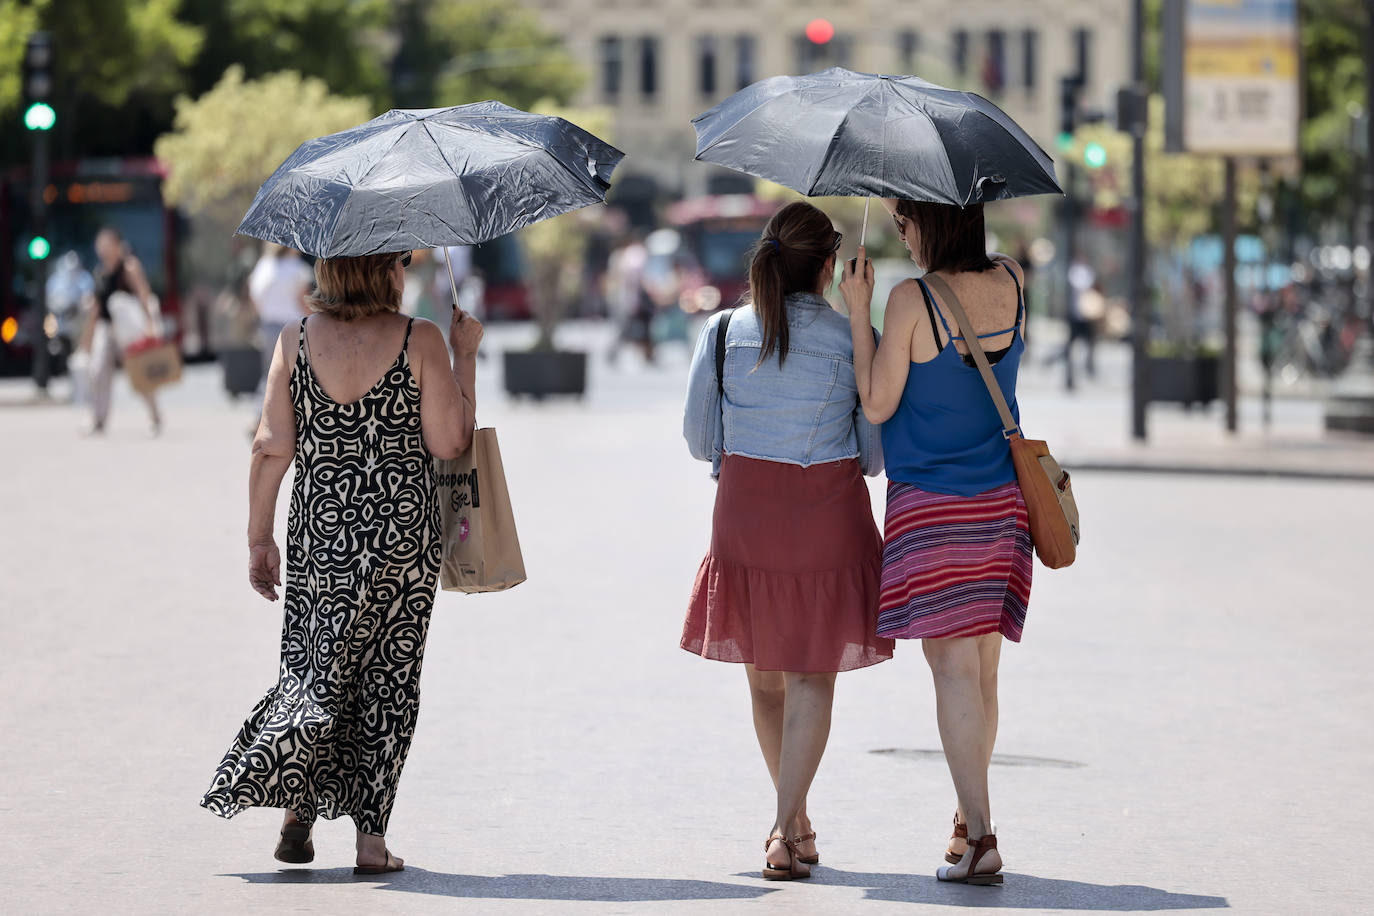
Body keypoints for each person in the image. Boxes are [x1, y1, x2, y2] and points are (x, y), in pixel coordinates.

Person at [200, 250, 484, 874]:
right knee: (387, 683)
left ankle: (296, 811)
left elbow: (271, 445)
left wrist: (258, 537)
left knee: (315, 671)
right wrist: (466, 355)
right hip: (401, 543)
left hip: (321, 540)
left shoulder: (296, 339)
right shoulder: (422, 338)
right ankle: (371, 841)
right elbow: (450, 441)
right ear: (386, 272)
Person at [682, 201, 892, 882]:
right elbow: (871, 455)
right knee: (811, 675)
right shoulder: (850, 337)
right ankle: (785, 821)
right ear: (831, 266)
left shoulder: (721, 333)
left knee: (764, 676)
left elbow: (699, 440)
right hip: (826, 509)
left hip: (746, 511)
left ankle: (792, 819)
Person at [841, 199, 1033, 887]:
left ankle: (981, 836)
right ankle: (966, 815)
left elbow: (876, 401)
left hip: (934, 511)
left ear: (933, 222)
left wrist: (857, 315)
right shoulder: (1012, 279)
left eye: (906, 223)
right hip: (1002, 506)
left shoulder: (909, 301)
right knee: (981, 673)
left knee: (952, 671)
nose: (902, 234)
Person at [77, 226, 162, 434]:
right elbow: (96, 310)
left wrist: (151, 325)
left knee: (139, 373)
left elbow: (144, 294)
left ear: (117, 245)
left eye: (107, 245)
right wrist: (87, 339)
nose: (103, 249)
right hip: (107, 329)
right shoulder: (100, 272)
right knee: (97, 372)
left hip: (128, 330)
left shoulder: (129, 267)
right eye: (100, 245)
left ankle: (154, 417)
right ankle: (98, 418)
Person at [247, 244, 313, 391]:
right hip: (295, 327)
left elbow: (254, 297)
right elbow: (303, 302)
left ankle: (263, 408)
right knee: (295, 373)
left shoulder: (263, 265)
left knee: (270, 373)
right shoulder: (299, 268)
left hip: (268, 326)